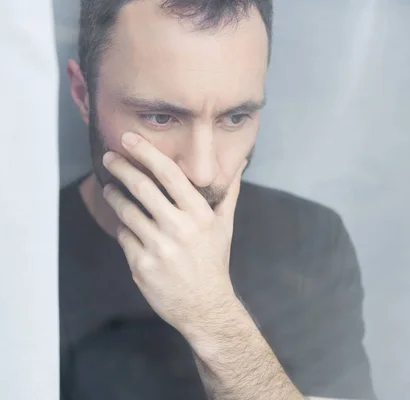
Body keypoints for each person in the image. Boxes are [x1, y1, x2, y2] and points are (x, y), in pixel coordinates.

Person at [59, 0, 376, 399]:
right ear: (83, 95)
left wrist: (213, 317)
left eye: (235, 118)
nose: (203, 171)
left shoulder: (310, 240)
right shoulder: (15, 262)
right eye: (160, 117)